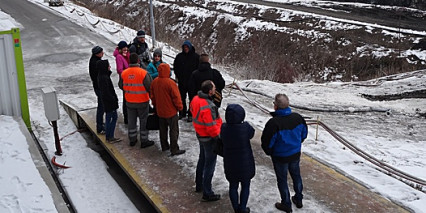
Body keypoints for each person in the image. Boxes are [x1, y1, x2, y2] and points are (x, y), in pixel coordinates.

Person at [261, 94, 308, 213]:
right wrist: (297, 144)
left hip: (280, 157)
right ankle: (299, 198)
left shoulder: (273, 123)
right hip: (295, 154)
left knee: (282, 180)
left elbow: (267, 142)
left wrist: (270, 152)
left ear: (276, 106)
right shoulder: (298, 118)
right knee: (296, 176)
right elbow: (304, 134)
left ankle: (286, 203)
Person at [190, 80, 222, 202]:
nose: (215, 90)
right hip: (209, 139)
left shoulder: (195, 99)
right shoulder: (209, 106)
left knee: (202, 159)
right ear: (210, 91)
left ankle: (199, 184)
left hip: (200, 134)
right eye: (214, 88)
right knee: (210, 165)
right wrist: (218, 137)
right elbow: (212, 128)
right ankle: (207, 192)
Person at [221, 104, 255, 213]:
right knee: (245, 185)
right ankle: (243, 208)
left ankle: (236, 208)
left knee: (233, 186)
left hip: (230, 163)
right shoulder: (245, 127)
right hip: (245, 163)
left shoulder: (224, 128)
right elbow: (252, 133)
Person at [150, 63, 185, 156]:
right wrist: (180, 107)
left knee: (163, 130)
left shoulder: (155, 82)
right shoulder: (171, 83)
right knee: (173, 131)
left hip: (160, 111)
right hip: (171, 111)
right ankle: (174, 149)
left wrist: (155, 106)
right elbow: (176, 97)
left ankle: (164, 146)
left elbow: (152, 96)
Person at [121, 53, 154, 148]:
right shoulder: (143, 73)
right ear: (138, 61)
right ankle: (144, 140)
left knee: (131, 121)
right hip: (142, 102)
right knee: (144, 121)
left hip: (130, 102)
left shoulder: (124, 73)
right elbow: (149, 87)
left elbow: (121, 85)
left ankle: (132, 139)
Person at [173, 40, 200, 122]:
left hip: (192, 82)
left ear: (190, 47)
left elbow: (198, 69)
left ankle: (191, 114)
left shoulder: (196, 57)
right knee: (181, 98)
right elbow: (175, 67)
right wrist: (178, 76)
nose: (185, 49)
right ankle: (182, 112)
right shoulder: (179, 56)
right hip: (182, 81)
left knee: (192, 99)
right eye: (184, 47)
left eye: (187, 47)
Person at [96, 59, 121, 143]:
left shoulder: (102, 76)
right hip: (110, 102)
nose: (110, 67)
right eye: (108, 66)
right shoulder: (104, 78)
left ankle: (109, 136)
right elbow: (107, 92)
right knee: (112, 118)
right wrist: (113, 99)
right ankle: (110, 136)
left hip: (108, 102)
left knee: (110, 117)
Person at [89, 45, 105, 134]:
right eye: (101, 52)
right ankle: (100, 127)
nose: (103, 53)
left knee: (101, 106)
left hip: (97, 86)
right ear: (97, 54)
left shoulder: (94, 60)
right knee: (101, 107)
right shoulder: (97, 63)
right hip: (99, 87)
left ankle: (101, 124)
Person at [114, 40, 130, 124]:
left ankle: (129, 115)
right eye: (123, 49)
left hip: (129, 79)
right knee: (126, 98)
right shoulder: (119, 57)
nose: (125, 50)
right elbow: (119, 70)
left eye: (126, 49)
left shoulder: (127, 54)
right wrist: (128, 71)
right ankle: (126, 116)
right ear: (120, 49)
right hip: (124, 80)